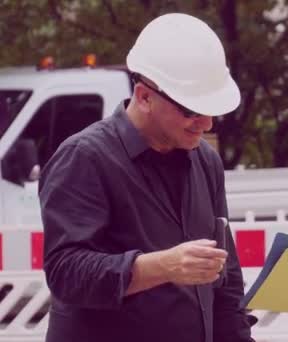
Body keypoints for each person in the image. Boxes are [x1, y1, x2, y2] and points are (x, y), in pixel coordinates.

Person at [39, 13, 254, 342]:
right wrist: (163, 266)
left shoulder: (205, 162)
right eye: (191, 110)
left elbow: (226, 282)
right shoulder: (84, 157)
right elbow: (66, 273)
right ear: (144, 96)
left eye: (212, 109)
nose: (207, 123)